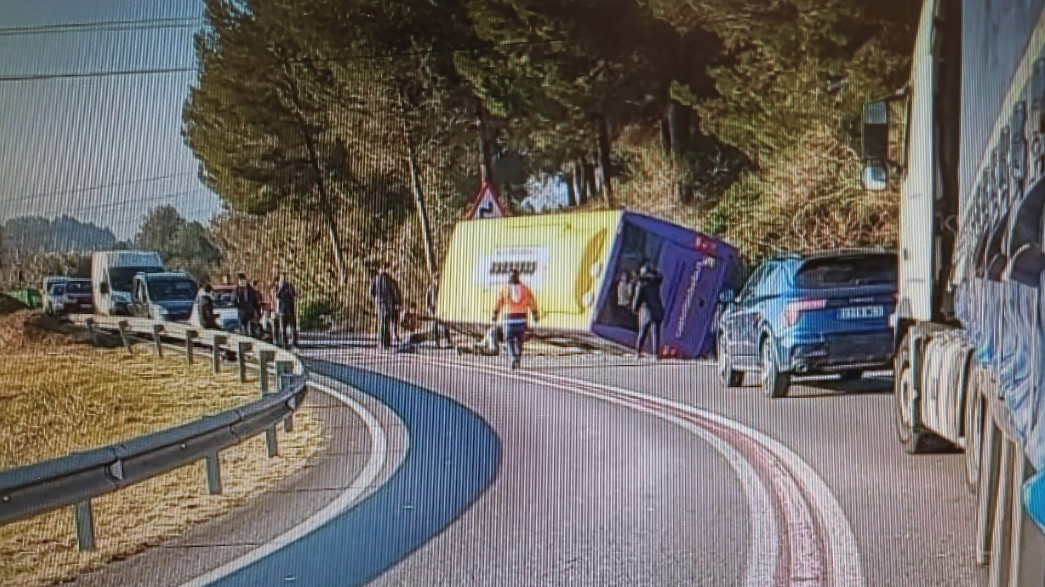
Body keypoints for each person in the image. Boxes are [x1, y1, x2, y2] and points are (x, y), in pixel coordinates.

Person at [492, 269, 540, 370]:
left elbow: (498, 302)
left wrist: (495, 314)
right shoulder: (525, 289)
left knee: (508, 338)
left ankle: (513, 357)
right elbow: (532, 302)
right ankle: (518, 356)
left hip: (509, 318)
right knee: (519, 339)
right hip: (521, 318)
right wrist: (535, 314)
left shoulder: (504, 289)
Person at [632, 263, 665, 360]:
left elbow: (638, 299)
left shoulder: (641, 285)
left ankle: (638, 352)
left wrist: (635, 308)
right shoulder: (655, 283)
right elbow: (660, 277)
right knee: (655, 334)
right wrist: (654, 272)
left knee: (642, 333)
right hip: (657, 311)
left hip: (646, 311)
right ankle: (655, 355)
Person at [369, 264, 402, 350]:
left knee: (384, 322)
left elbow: (371, 292)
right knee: (384, 323)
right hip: (386, 305)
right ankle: (384, 342)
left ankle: (384, 342)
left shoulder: (377, 279)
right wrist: (397, 303)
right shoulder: (388, 280)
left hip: (383, 304)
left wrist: (375, 299)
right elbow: (395, 293)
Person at [426, 274, 453, 348]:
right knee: (434, 326)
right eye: (436, 279)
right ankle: (436, 341)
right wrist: (429, 310)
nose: (437, 281)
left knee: (444, 325)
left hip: (441, 309)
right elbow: (427, 301)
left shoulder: (443, 288)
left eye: (438, 279)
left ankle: (448, 341)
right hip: (433, 309)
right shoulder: (431, 288)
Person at [275, 273, 299, 348]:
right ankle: (284, 342)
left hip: (290, 310)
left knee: (293, 327)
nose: (284, 279)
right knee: (283, 328)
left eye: (285, 277)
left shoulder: (289, 286)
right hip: (282, 311)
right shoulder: (277, 287)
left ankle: (294, 342)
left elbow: (293, 295)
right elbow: (277, 296)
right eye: (282, 278)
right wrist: (281, 287)